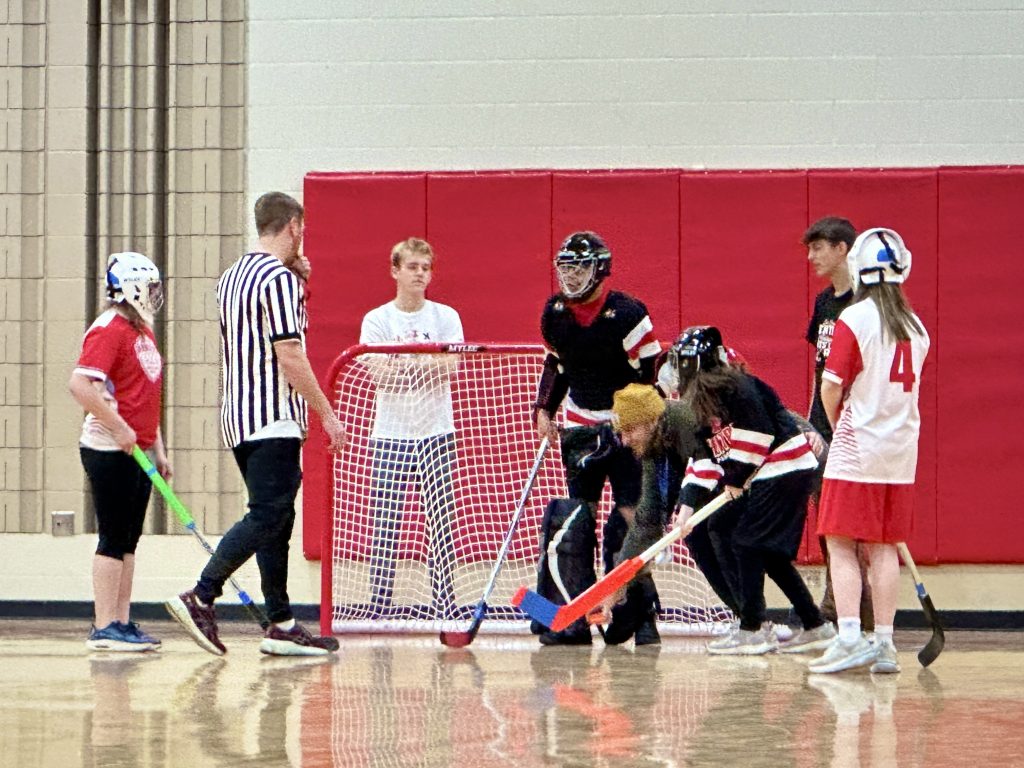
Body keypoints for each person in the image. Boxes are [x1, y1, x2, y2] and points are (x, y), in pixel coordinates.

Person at [166, 191, 347, 657]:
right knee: (269, 514)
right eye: (301, 229)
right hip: (273, 417)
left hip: (238, 417)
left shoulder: (231, 277)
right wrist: (326, 413)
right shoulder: (276, 279)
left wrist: (299, 281)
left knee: (278, 520)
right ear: (293, 227)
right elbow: (289, 353)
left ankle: (281, 621)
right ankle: (202, 594)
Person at [809, 227, 930, 675]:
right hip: (901, 452)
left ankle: (847, 638)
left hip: (858, 443)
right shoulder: (917, 328)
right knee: (883, 548)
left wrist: (839, 423)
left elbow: (831, 386)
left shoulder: (854, 319)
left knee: (840, 542)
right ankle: (884, 645)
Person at [532, 231, 662, 646]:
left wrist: (633, 424)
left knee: (629, 518)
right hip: (579, 427)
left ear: (601, 269)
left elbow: (649, 374)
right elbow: (557, 364)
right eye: (565, 268)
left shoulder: (627, 314)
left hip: (626, 428)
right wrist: (544, 408)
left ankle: (639, 614)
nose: (571, 277)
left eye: (580, 267)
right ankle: (576, 613)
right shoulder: (554, 313)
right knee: (578, 518)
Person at [671, 326, 833, 655]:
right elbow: (705, 459)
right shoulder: (702, 405)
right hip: (766, 473)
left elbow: (759, 434)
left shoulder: (737, 388)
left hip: (786, 468)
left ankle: (752, 628)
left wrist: (734, 477)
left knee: (746, 542)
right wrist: (685, 512)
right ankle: (816, 624)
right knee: (764, 552)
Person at [359, 237, 465, 619]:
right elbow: (378, 374)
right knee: (385, 522)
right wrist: (425, 360)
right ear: (395, 270)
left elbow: (451, 367)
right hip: (390, 434)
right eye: (413, 266)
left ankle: (444, 602)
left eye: (426, 267)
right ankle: (380, 603)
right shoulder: (377, 319)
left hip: (437, 432)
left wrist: (405, 362)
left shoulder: (446, 317)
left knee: (442, 523)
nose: (420, 273)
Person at [70, 252, 168, 652]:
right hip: (108, 450)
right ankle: (104, 624)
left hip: (139, 451)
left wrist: (159, 447)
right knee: (112, 537)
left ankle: (123, 622)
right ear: (131, 288)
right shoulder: (108, 329)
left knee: (130, 539)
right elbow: (80, 385)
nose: (155, 296)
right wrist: (120, 428)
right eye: (151, 288)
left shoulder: (142, 330)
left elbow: (144, 394)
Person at [803, 216, 874, 632]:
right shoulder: (824, 303)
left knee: (856, 530)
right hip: (820, 428)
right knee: (826, 522)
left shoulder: (865, 305)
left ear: (843, 248)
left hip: (856, 429)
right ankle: (835, 605)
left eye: (818, 247)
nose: (811, 256)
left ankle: (862, 616)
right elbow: (818, 370)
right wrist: (813, 421)